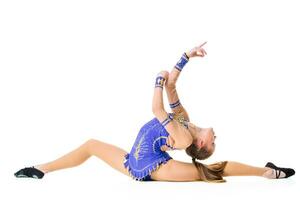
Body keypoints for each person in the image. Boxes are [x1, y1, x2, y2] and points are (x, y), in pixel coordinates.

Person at [14, 42, 295, 182]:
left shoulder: (183, 138)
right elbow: (173, 85)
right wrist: (185, 57)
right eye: (215, 140)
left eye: (213, 142)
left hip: (153, 168)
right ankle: (41, 169)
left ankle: (267, 173)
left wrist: (156, 82)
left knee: (211, 172)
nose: (215, 137)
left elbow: (156, 107)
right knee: (90, 145)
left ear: (200, 144)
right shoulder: (184, 119)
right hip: (131, 159)